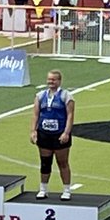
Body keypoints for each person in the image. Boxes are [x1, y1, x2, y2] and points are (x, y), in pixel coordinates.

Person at [30, 69, 75, 201]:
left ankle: (66, 190)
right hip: (44, 134)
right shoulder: (40, 96)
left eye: (53, 79)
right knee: (45, 163)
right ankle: (43, 189)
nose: (51, 82)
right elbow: (35, 115)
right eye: (49, 79)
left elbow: (70, 115)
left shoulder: (66, 96)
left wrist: (66, 132)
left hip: (60, 134)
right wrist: (33, 131)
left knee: (63, 163)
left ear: (59, 81)